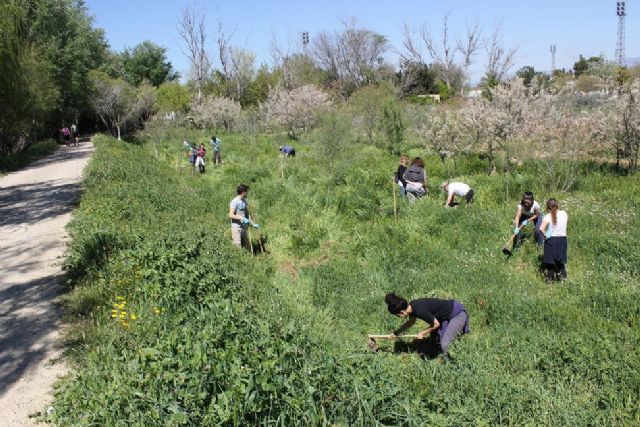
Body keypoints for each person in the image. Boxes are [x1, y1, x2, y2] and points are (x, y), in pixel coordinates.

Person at [385, 293, 469, 357]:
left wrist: (423, 333)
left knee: (445, 344)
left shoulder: (420, 311)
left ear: (402, 312)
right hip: (445, 317)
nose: (398, 317)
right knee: (435, 341)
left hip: (457, 314)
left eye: (397, 315)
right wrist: (396, 333)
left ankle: (450, 362)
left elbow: (436, 324)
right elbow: (410, 322)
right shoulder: (411, 306)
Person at [539, 198, 568, 282]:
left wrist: (545, 237)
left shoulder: (548, 216)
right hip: (562, 240)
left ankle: (550, 280)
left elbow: (541, 229)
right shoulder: (564, 213)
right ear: (557, 205)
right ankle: (563, 280)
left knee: (550, 264)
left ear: (548, 207)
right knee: (561, 263)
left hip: (551, 240)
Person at [228, 184, 259, 249]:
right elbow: (231, 215)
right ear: (243, 192)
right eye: (246, 192)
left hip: (243, 226)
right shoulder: (234, 202)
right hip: (236, 227)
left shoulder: (244, 201)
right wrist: (242, 218)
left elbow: (247, 214)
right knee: (237, 246)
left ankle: (249, 258)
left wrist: (252, 224)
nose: (247, 193)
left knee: (247, 245)